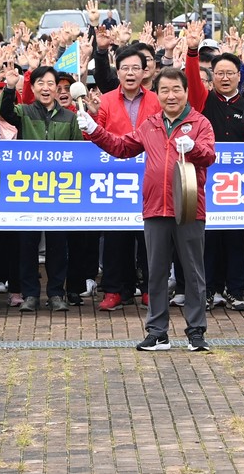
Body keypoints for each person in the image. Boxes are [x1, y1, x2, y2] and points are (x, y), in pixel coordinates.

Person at [78, 67, 217, 352]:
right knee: (155, 273)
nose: (170, 95)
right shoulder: (150, 124)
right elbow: (121, 147)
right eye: (164, 90)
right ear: (157, 93)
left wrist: (192, 147)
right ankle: (157, 332)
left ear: (186, 92)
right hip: (155, 208)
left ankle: (196, 332)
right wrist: (94, 130)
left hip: (189, 207)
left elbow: (209, 156)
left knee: (193, 273)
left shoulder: (199, 123)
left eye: (176, 89)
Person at [0, 64, 83, 312]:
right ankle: (30, 294)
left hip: (59, 190)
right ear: (33, 87)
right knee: (28, 244)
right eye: (40, 84)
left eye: (50, 84)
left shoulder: (69, 117)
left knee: (58, 245)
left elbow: (77, 150)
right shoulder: (23, 112)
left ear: (57, 89)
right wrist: (10, 86)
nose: (46, 88)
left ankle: (57, 293)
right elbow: (5, 111)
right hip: (29, 190)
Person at [87, 45, 160, 311]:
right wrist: (94, 116)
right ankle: (115, 290)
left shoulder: (156, 100)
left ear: (145, 72)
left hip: (150, 177)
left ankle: (150, 288)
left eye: (135, 68)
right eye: (125, 68)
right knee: (116, 235)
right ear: (117, 72)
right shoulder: (105, 100)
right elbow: (93, 136)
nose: (130, 73)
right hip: (114, 179)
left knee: (149, 236)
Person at [197, 52, 244, 312]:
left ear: (239, 76)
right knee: (208, 239)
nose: (225, 78)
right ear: (212, 78)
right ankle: (209, 290)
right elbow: (191, 76)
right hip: (206, 183)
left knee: (236, 239)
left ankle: (235, 290)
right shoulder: (203, 102)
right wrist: (191, 51)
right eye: (219, 73)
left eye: (230, 73)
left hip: (238, 186)